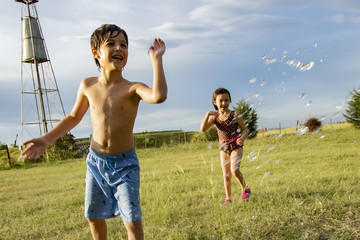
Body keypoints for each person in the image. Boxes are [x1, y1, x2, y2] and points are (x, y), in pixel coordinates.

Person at [21, 24, 167, 240]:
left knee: (132, 220)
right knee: (93, 216)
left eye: (124, 45)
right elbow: (73, 117)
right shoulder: (87, 85)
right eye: (111, 44)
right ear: (96, 53)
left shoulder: (132, 88)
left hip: (125, 165)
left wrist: (156, 61)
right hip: (96, 162)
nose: (119, 48)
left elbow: (158, 96)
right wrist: (45, 139)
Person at [200, 88, 251, 205]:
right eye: (221, 101)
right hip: (223, 147)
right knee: (226, 174)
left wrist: (242, 138)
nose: (224, 103)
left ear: (230, 101)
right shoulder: (214, 118)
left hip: (236, 145)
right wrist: (207, 114)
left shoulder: (235, 115)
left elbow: (245, 130)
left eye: (226, 100)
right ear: (214, 102)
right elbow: (203, 129)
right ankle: (228, 198)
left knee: (235, 170)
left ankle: (245, 188)